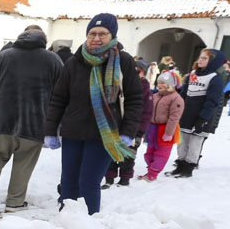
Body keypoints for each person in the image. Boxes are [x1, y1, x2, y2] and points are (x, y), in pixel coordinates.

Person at [42, 13, 145, 215]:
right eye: (92, 33)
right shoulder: (74, 62)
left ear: (112, 35)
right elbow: (58, 99)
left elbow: (134, 99)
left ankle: (89, 225)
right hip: (73, 132)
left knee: (88, 182)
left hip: (104, 135)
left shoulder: (123, 62)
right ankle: (65, 221)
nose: (96, 38)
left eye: (102, 34)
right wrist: (50, 130)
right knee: (68, 182)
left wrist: (128, 131)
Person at [0, 26, 62, 211]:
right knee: (24, 161)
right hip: (34, 123)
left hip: (1, 120)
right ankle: (15, 202)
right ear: (44, 40)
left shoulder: (4, 56)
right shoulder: (53, 60)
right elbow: (61, 91)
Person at [166, 48, 226, 179]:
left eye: (204, 58)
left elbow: (213, 101)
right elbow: (183, 93)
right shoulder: (193, 73)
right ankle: (180, 165)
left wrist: (203, 118)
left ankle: (188, 168)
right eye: (200, 57)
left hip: (201, 116)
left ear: (213, 62)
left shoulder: (215, 78)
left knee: (194, 143)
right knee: (182, 142)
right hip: (187, 114)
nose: (200, 60)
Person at [105, 60, 154, 187]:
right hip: (116, 127)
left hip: (133, 129)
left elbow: (147, 114)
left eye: (138, 71)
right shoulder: (122, 85)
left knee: (127, 156)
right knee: (110, 153)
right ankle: (109, 178)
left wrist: (140, 132)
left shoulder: (146, 91)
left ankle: (124, 179)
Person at [140, 71, 184, 180]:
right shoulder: (154, 96)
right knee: (149, 152)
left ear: (172, 84)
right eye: (158, 82)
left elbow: (174, 117)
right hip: (152, 128)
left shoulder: (176, 98)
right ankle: (150, 169)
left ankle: (153, 173)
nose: (160, 85)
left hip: (165, 129)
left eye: (163, 83)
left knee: (161, 153)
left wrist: (169, 132)